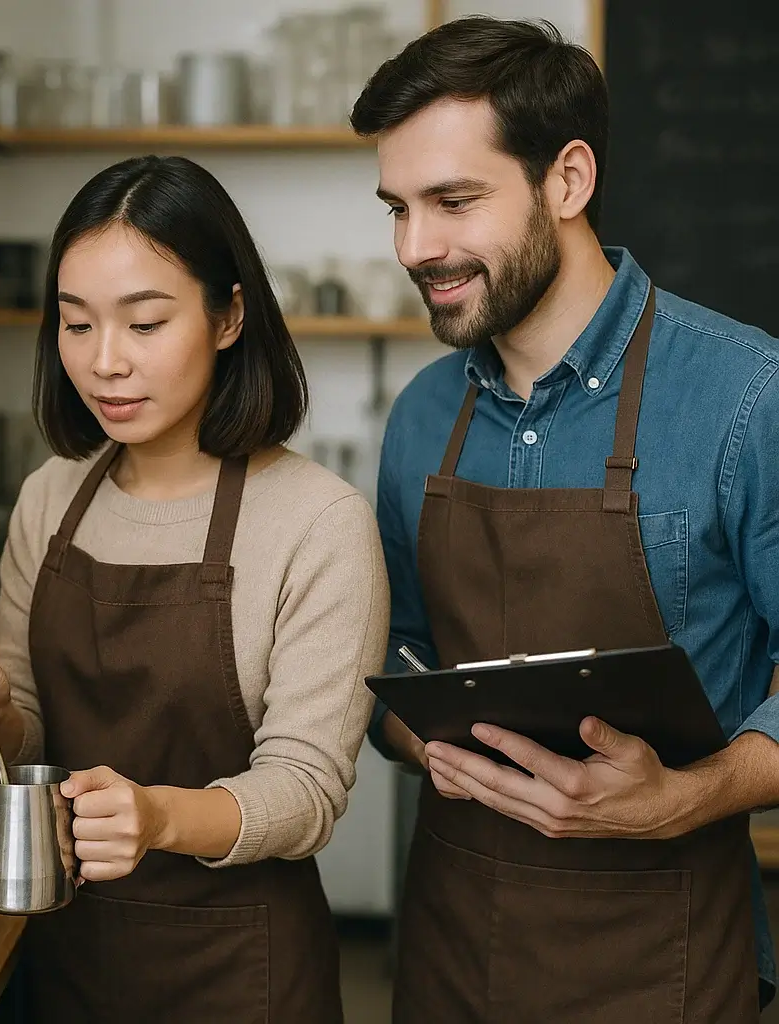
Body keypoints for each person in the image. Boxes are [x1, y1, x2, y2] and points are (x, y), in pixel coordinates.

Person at [351, 16, 779, 1024]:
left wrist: (684, 795)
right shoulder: (421, 415)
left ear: (568, 180)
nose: (416, 248)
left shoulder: (746, 396)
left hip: (663, 955)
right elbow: (393, 662)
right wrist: (421, 739)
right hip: (453, 946)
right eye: (398, 209)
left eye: (454, 201)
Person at [0, 154, 388, 1023]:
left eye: (144, 323)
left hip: (239, 972)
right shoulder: (52, 497)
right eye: (76, 323)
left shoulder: (319, 521)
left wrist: (157, 817)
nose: (104, 362)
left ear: (228, 316)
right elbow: (28, 735)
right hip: (63, 948)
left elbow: (306, 792)